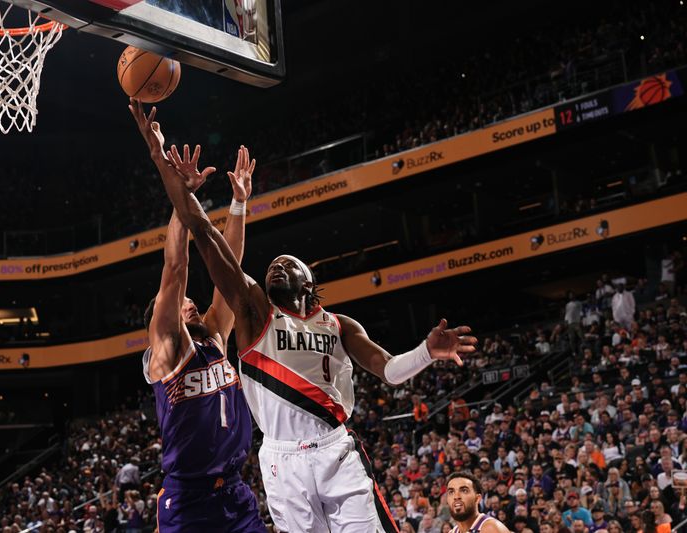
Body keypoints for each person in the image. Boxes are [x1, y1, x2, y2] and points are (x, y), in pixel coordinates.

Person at [130, 101, 478, 532]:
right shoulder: (244, 320)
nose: (277, 265)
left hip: (272, 474)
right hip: (243, 473)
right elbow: (197, 258)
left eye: (288, 263)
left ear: (308, 281)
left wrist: (425, 351)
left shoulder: (330, 325)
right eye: (273, 263)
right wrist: (170, 174)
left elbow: (387, 369)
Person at [138, 128, 265, 532]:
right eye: (182, 303)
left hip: (235, 492)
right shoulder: (168, 349)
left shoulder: (214, 337)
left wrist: (239, 204)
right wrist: (181, 200)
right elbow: (176, 267)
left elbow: (230, 270)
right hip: (188, 500)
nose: (190, 302)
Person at [445, 472, 510, 533]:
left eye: (464, 491)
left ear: (477, 498)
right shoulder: (452, 532)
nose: (456, 496)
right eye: (451, 492)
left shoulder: (491, 528)